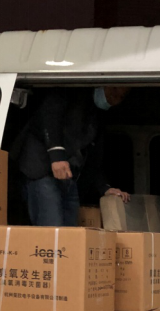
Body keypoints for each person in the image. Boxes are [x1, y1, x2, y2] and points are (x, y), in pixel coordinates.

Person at [12, 86, 131, 226]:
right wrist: (56, 155)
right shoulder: (71, 90)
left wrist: (105, 188)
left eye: (120, 97)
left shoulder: (96, 116)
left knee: (70, 232)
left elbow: (93, 158)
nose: (114, 99)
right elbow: (49, 115)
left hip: (70, 178)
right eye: (113, 91)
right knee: (52, 229)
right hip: (42, 170)